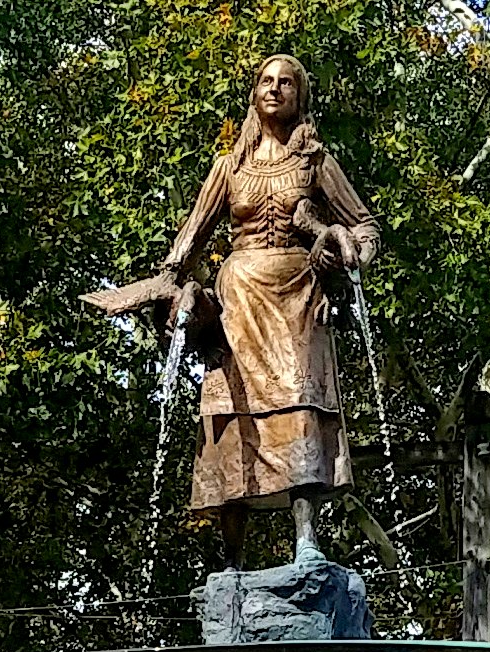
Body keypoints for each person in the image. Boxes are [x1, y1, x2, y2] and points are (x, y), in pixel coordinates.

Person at [131, 54, 379, 567]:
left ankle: (306, 542)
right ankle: (231, 562)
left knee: (300, 406)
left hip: (300, 295)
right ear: (254, 93)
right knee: (230, 413)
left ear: (300, 96)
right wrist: (164, 291)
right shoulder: (229, 167)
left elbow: (365, 227)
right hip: (239, 301)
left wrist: (349, 253)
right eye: (267, 81)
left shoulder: (317, 164)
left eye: (287, 83)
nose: (276, 89)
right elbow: (187, 245)